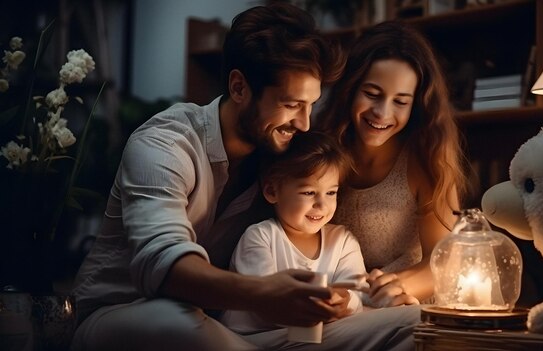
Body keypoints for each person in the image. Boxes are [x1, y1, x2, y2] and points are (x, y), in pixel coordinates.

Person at [71, 4, 421, 351]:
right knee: (177, 317)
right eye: (291, 104)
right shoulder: (164, 144)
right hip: (125, 313)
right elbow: (165, 266)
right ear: (239, 88)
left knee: (415, 323)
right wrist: (265, 293)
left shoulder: (280, 156)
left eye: (310, 105)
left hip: (235, 330)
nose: (304, 124)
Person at [315, 20, 471, 308]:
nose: (382, 113)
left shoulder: (427, 156)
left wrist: (395, 286)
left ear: (417, 104)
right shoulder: (322, 147)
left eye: (400, 101)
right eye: (372, 94)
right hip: (333, 302)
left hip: (403, 300)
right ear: (350, 89)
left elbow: (446, 260)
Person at [221, 131, 366, 338]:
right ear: (272, 192)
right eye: (308, 192)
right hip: (258, 338)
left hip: (320, 334)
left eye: (331, 192)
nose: (321, 205)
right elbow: (268, 301)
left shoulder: (342, 241)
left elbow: (358, 295)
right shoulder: (260, 237)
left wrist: (345, 300)